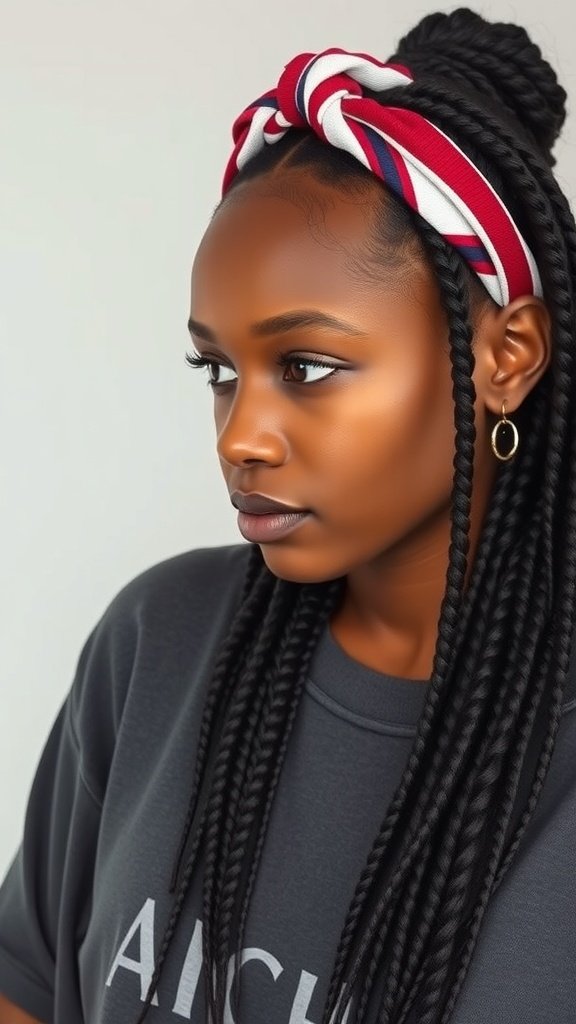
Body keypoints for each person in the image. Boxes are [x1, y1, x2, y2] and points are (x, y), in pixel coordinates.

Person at [1, 7, 575, 1023]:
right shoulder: (157, 644)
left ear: (507, 355)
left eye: (307, 366)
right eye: (220, 370)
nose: (239, 438)